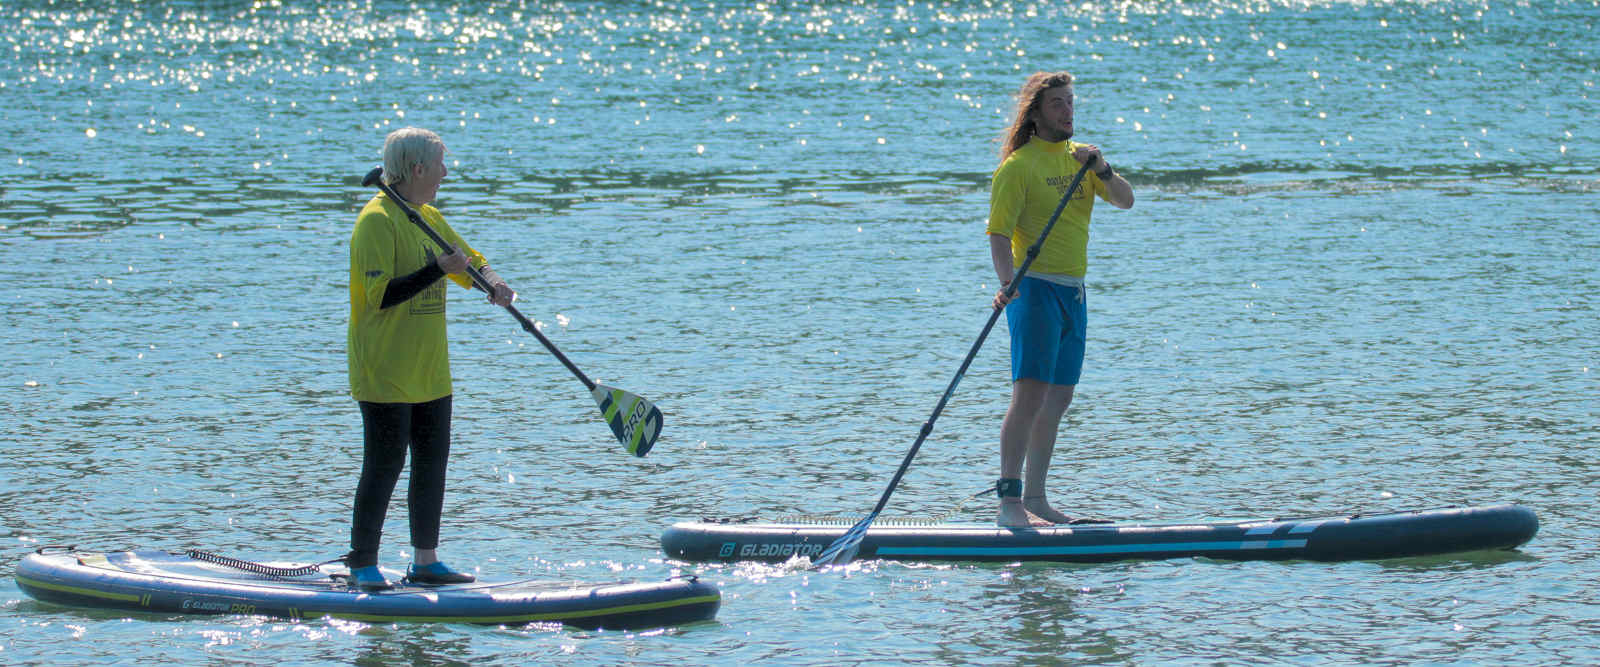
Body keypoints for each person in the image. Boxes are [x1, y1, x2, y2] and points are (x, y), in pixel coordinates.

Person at [344, 127, 516, 589]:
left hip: (430, 369)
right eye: (439, 164)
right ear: (417, 168)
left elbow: (469, 260)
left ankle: (425, 562)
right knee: (384, 465)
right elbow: (379, 298)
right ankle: (362, 563)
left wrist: (493, 283)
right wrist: (434, 270)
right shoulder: (376, 221)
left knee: (431, 463)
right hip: (383, 370)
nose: (444, 173)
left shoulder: (428, 217)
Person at [986, 72, 1135, 527]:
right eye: (1057, 104)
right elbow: (998, 233)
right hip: (1034, 291)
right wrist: (1008, 283)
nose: (1068, 111)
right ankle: (1009, 502)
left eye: (1070, 102)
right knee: (1029, 397)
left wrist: (1103, 169)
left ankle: (1036, 499)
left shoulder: (1082, 160)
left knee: (1059, 399)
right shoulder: (1018, 167)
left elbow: (1126, 201)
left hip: (1074, 292)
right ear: (1035, 112)